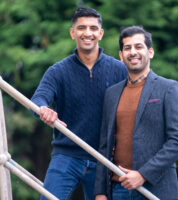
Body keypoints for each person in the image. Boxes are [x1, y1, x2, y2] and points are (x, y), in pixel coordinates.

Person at [31, 7, 127, 200]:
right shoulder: (57, 71)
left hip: (104, 159)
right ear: (72, 32)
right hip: (66, 155)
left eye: (93, 28)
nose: (87, 33)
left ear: (100, 33)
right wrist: (44, 109)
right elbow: (38, 99)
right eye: (81, 27)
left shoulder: (120, 70)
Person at [94, 26, 178, 200]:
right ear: (121, 56)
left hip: (155, 189)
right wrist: (100, 191)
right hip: (118, 189)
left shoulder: (168, 88)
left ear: (150, 52)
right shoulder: (111, 94)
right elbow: (104, 145)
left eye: (138, 47)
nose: (133, 52)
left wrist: (143, 174)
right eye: (127, 48)